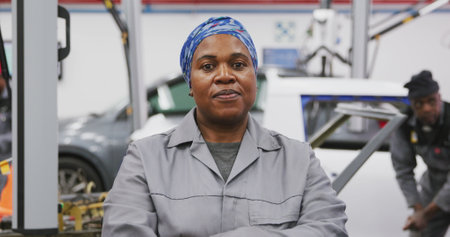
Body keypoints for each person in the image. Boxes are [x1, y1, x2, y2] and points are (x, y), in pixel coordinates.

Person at [102, 16, 347, 236]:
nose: (225, 76)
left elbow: (330, 228)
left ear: (255, 78)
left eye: (239, 65)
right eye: (208, 66)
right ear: (189, 83)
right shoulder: (146, 159)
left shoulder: (298, 160)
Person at [390, 70, 450, 237]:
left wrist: (426, 214)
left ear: (440, 97)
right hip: (434, 186)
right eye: (419, 104)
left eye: (431, 101)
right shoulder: (405, 125)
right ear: (412, 104)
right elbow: (403, 170)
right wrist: (418, 209)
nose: (427, 109)